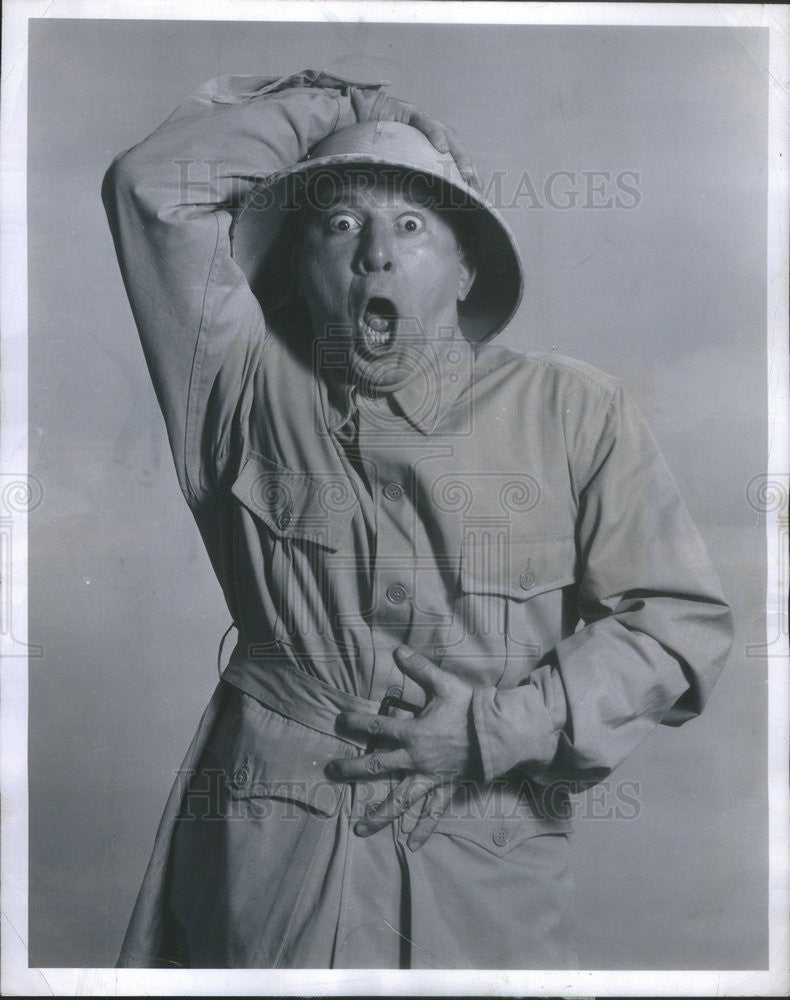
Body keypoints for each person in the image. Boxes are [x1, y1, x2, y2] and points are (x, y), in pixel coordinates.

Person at [102, 69, 733, 970]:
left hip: (481, 863)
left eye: (411, 225)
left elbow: (679, 627)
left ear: (466, 264)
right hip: (268, 858)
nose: (375, 255)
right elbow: (150, 186)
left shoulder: (573, 409)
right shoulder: (239, 383)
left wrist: (497, 730)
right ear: (297, 265)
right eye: (339, 222)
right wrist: (352, 107)